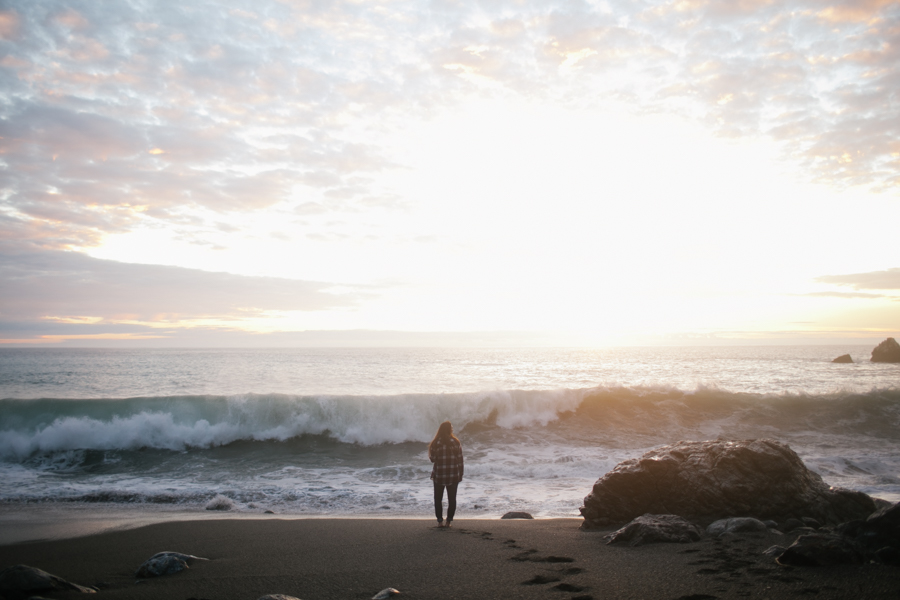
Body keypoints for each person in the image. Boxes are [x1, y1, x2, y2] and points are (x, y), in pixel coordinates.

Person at [428, 420, 464, 528]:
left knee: (438, 499)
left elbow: (433, 459)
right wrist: (460, 474)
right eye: (451, 428)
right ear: (449, 430)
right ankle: (448, 522)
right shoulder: (456, 442)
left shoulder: (436, 443)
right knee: (452, 499)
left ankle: (440, 521)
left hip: (439, 475)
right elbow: (460, 460)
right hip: (453, 475)